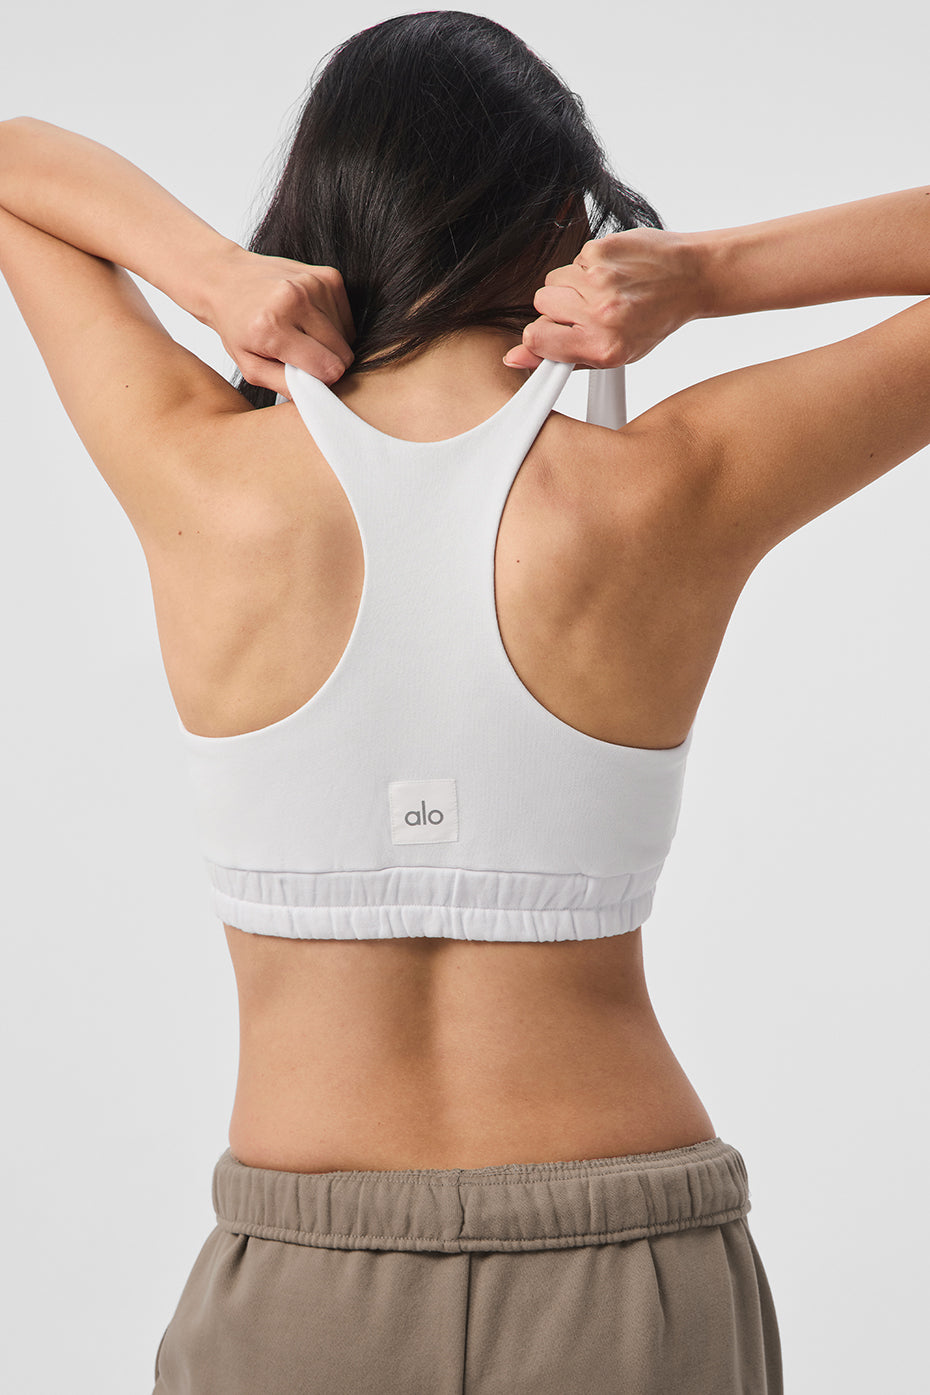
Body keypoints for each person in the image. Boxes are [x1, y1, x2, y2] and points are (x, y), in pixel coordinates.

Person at [1, 9, 927, 1394]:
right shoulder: (667, 488)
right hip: (631, 1269)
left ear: (323, 213)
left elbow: (15, 156)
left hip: (300, 1284)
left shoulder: (204, 481)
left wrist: (212, 279)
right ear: (561, 225)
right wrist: (707, 274)